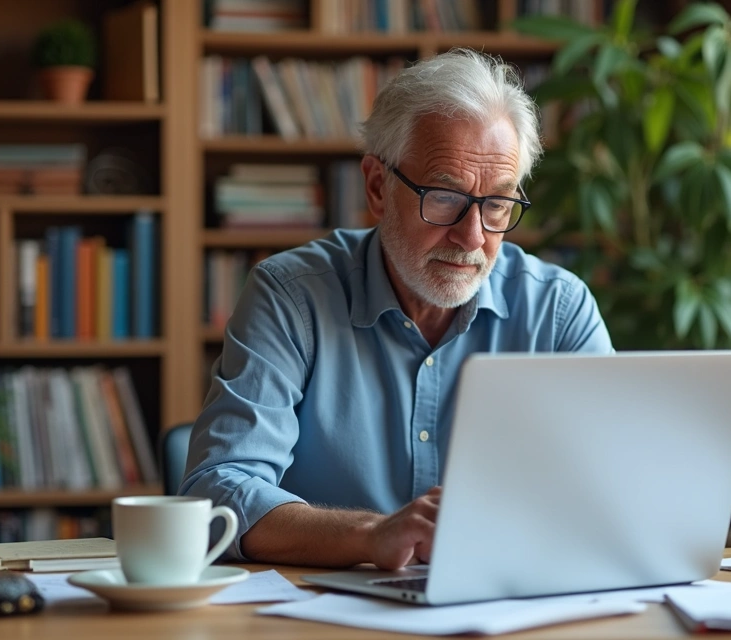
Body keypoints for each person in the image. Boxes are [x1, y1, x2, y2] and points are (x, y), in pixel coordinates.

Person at [180, 49, 613, 569]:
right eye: (445, 197)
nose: (472, 237)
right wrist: (371, 535)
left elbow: (612, 491)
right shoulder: (292, 297)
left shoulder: (558, 311)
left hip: (506, 598)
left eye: (497, 204)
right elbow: (217, 490)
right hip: (326, 605)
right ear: (378, 187)